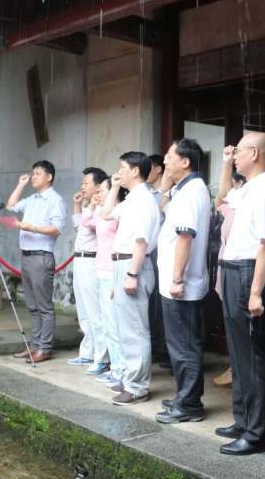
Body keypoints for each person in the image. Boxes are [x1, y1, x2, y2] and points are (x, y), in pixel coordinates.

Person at [216, 133, 265, 456]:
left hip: (248, 273)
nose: (235, 155)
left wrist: (256, 291)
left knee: (253, 357)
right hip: (234, 270)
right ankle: (243, 421)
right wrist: (225, 164)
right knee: (238, 352)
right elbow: (222, 198)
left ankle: (257, 434)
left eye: (239, 151)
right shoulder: (248, 189)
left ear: (254, 153)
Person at [155, 139, 211, 424]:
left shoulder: (191, 192)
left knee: (184, 346)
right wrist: (166, 186)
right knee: (179, 345)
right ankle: (184, 396)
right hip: (178, 282)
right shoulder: (185, 189)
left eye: (169, 156)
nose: (165, 160)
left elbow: (185, 237)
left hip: (182, 284)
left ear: (185, 161)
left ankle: (189, 404)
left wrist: (177, 278)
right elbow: (164, 210)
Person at [100, 152, 160, 405]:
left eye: (122, 168)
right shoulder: (133, 198)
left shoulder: (143, 200)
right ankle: (130, 379)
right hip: (122, 263)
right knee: (125, 327)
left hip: (133, 263)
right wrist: (114, 187)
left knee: (135, 329)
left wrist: (132, 274)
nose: (119, 172)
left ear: (135, 171)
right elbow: (106, 214)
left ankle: (137, 387)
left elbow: (141, 241)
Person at [4, 160, 68, 364]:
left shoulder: (55, 200)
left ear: (49, 177)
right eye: (33, 173)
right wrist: (21, 184)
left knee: (44, 307)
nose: (34, 177)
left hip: (41, 256)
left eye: (38, 173)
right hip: (27, 255)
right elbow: (10, 206)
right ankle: (34, 346)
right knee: (32, 306)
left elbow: (57, 228)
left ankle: (45, 348)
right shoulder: (32, 198)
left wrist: (32, 228)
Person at [79, 178, 120, 388]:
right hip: (102, 270)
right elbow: (86, 222)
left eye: (103, 190)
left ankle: (118, 369)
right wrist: (92, 205)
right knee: (107, 321)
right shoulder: (103, 214)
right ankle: (115, 368)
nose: (99, 194)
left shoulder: (117, 213)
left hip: (113, 271)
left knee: (113, 324)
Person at [68, 167, 109, 374]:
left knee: (94, 312)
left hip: (92, 260)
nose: (82, 186)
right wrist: (79, 205)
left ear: (98, 186)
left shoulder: (103, 208)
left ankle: (102, 358)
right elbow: (80, 227)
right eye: (82, 183)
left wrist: (91, 207)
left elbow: (91, 225)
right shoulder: (90, 206)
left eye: (86, 183)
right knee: (83, 311)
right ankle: (87, 352)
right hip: (80, 260)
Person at [211, 170, 246, 388]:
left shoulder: (246, 205)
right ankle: (234, 366)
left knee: (238, 323)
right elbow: (219, 200)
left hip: (238, 268)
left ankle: (238, 369)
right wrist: (226, 165)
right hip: (226, 266)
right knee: (230, 321)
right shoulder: (231, 205)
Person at [147, 153, 170, 367]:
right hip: (149, 251)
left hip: (161, 251)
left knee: (160, 301)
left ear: (159, 169)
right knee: (151, 301)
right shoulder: (146, 193)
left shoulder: (166, 193)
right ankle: (155, 346)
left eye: (149, 167)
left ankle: (164, 349)